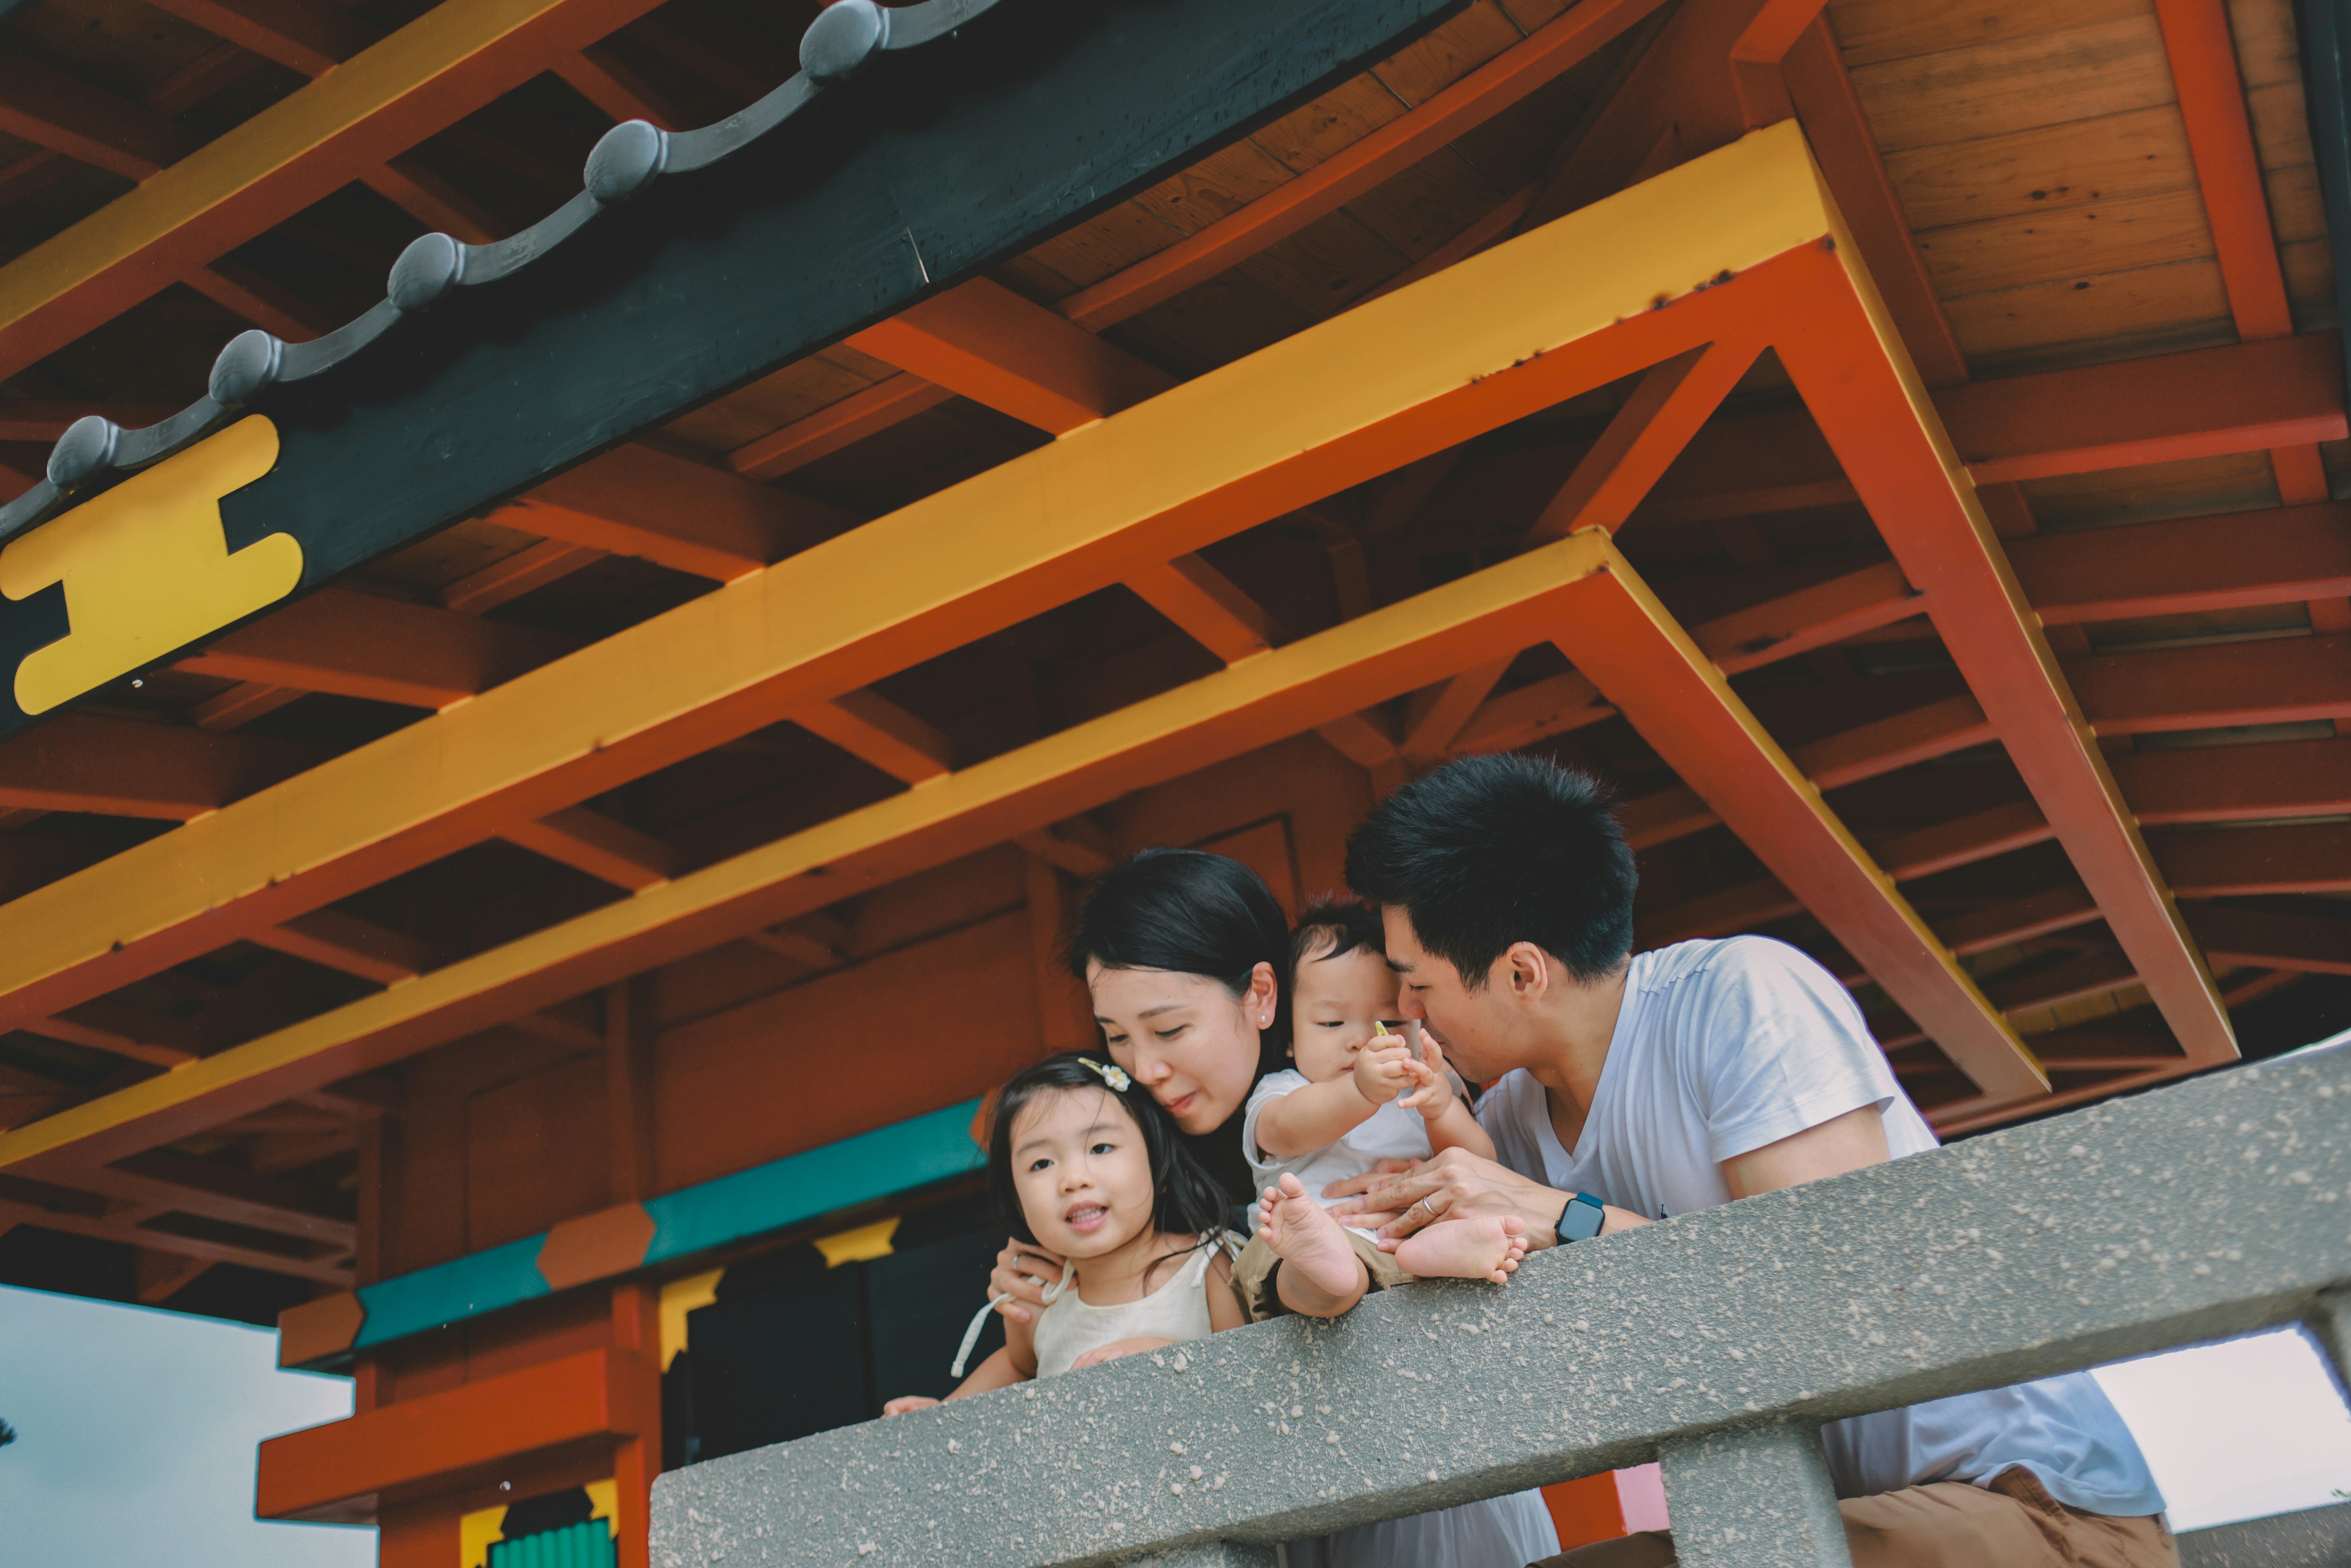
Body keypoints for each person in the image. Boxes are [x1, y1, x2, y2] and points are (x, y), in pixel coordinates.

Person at [1330, 752, 2177, 1568]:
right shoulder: (1506, 1123)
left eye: (1417, 984)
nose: (1402, 1012)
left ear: (1522, 973)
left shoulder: (1744, 996)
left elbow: (1820, 1304)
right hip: (1802, 1516)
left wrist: (1563, 1216)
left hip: (2033, 1507)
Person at [880, 1052, 1244, 1412]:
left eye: (1100, 1148)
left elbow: (1252, 1377)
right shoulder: (1037, 1298)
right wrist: (938, 1416)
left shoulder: (1208, 1268)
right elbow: (1018, 1365)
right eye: (1041, 1163)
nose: (1073, 1180)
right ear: (1018, 1200)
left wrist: (1169, 1359)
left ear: (1158, 1163)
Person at [1239, 899, 1528, 1321]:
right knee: (1296, 1271)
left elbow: (1479, 1164)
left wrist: (1441, 1109)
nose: (1361, 1041)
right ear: (1290, 1037)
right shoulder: (1283, 1090)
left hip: (1415, 1234)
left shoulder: (1431, 1082)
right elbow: (1287, 1131)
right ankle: (1334, 1272)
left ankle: (1440, 1253)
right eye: (1332, 1024)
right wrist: (1360, 1089)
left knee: (1457, 1216)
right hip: (1319, 1234)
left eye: (1390, 1023)